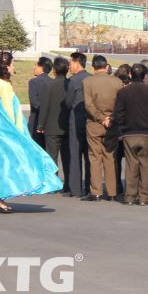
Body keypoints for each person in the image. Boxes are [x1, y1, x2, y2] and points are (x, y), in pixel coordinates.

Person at [0, 51, 62, 213]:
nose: (14, 67)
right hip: (7, 132)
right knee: (12, 161)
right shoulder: (4, 86)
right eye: (12, 64)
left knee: (4, 162)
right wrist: (19, 133)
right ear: (6, 66)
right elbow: (8, 112)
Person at [114, 63, 148, 206]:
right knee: (146, 165)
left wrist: (122, 127)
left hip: (129, 133)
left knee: (131, 165)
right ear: (145, 76)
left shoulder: (123, 92)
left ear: (131, 75)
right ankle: (144, 197)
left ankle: (129, 196)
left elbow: (118, 114)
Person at [82, 55, 124, 201]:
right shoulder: (117, 81)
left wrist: (100, 118)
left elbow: (88, 104)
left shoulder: (87, 81)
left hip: (94, 123)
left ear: (93, 67)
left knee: (95, 157)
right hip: (112, 124)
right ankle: (112, 192)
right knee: (110, 156)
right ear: (106, 67)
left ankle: (96, 191)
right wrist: (111, 118)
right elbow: (120, 104)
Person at [36, 56, 70, 183]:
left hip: (51, 127)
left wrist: (41, 125)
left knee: (52, 157)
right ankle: (68, 183)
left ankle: (53, 182)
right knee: (67, 157)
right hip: (67, 126)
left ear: (54, 70)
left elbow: (45, 107)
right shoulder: (70, 84)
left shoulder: (48, 85)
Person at [63, 52, 90, 197]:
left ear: (77, 62)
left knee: (75, 154)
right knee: (89, 156)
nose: (69, 66)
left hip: (75, 120)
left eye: (71, 63)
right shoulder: (90, 78)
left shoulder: (73, 81)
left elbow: (67, 102)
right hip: (90, 120)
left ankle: (76, 189)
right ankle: (90, 186)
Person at [27, 56, 52, 149]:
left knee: (34, 150)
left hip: (36, 121)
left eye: (36, 65)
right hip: (49, 123)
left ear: (41, 67)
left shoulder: (33, 82)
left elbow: (34, 102)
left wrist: (43, 113)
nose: (34, 68)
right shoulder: (52, 82)